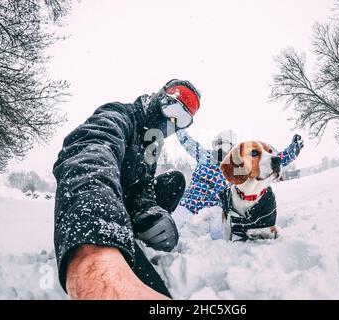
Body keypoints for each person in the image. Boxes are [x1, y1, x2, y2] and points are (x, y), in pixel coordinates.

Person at [52, 79, 201, 299]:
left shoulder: (153, 145)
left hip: (128, 209)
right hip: (104, 204)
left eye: (182, 119)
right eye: (172, 108)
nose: (172, 120)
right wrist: (94, 238)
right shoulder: (120, 115)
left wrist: (151, 212)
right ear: (157, 99)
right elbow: (91, 152)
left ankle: (138, 229)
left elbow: (143, 189)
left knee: (175, 180)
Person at [172, 129, 304, 231]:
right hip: (188, 206)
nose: (219, 147)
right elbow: (187, 141)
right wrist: (177, 125)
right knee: (173, 227)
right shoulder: (204, 156)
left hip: (213, 212)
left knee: (219, 237)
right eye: (217, 143)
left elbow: (267, 163)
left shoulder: (238, 167)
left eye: (222, 143)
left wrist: (292, 152)